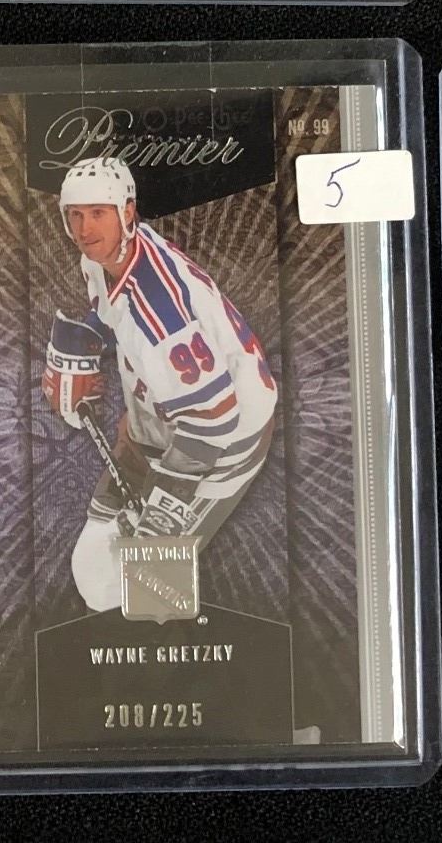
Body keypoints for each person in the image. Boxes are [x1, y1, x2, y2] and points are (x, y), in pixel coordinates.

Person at [42, 156, 278, 613]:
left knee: (143, 591)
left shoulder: (161, 316)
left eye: (98, 213)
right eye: (76, 214)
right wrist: (84, 341)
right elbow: (114, 313)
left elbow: (213, 422)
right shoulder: (111, 254)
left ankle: (165, 648)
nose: (85, 229)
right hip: (169, 412)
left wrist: (162, 511)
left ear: (127, 211)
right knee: (96, 564)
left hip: (228, 439)